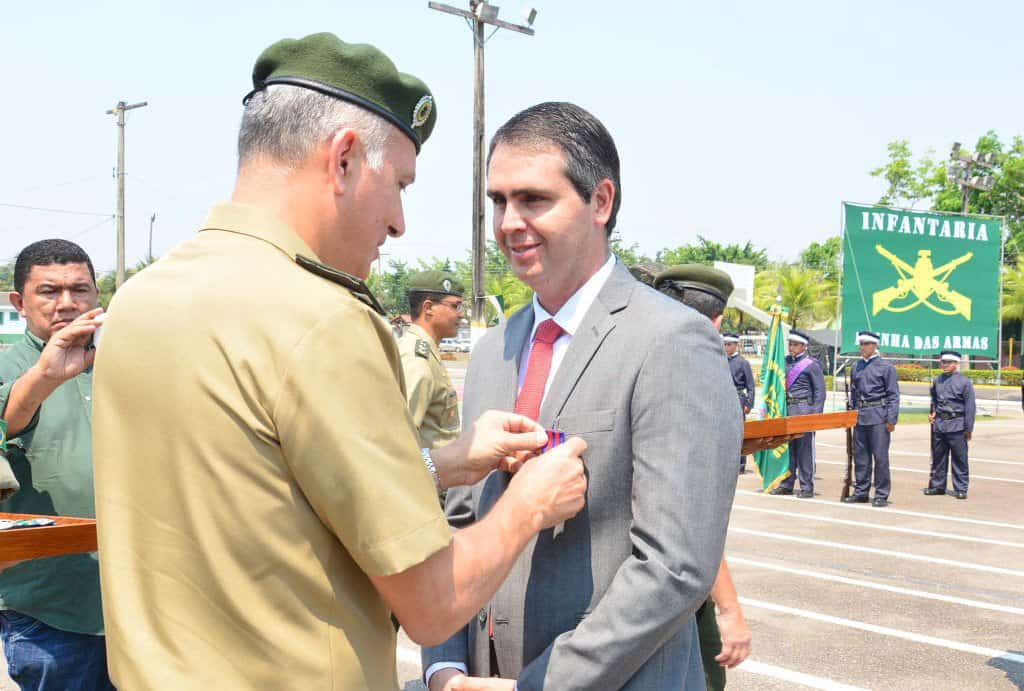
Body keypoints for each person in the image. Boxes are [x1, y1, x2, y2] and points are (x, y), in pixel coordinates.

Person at [91, 34, 588, 690]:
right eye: (400, 185)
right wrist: (527, 503)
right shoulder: (321, 318)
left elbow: (254, 485)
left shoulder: (140, 300)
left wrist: (445, 460)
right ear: (346, 159)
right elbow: (431, 598)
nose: (400, 221)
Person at [423, 102, 742, 690]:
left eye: (533, 199)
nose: (508, 222)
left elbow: (675, 565)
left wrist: (536, 686)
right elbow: (457, 522)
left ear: (600, 201)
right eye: (497, 201)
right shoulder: (496, 348)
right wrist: (444, 667)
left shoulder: (672, 340)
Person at [0, 239, 111, 690]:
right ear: (19, 303)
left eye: (80, 289)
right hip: (51, 610)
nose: (67, 303)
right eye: (49, 291)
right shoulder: (11, 368)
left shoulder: (124, 362)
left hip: (138, 601)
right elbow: (6, 419)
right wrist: (45, 376)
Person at [653, 264, 753, 691]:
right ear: (717, 321)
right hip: (674, 580)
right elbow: (693, 514)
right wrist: (729, 609)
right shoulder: (700, 378)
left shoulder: (635, 363)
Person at [398, 270, 465, 449]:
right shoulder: (417, 359)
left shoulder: (426, 351)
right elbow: (400, 438)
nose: (461, 314)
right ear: (428, 308)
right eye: (455, 306)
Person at [842, 330, 899, 507]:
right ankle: (861, 492)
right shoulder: (856, 367)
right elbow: (854, 394)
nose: (863, 347)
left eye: (866, 344)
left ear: (875, 345)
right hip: (860, 416)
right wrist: (850, 417)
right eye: (861, 344)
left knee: (880, 457)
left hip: (878, 415)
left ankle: (881, 493)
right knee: (861, 457)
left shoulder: (886, 367)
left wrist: (891, 419)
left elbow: (893, 395)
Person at [770, 329, 826, 498]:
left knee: (804, 450)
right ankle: (787, 483)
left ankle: (806, 486)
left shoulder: (811, 364)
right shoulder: (785, 362)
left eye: (795, 344)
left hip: (803, 410)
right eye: (790, 344)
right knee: (787, 449)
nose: (791, 347)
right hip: (787, 409)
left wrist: (815, 415)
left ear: (804, 346)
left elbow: (820, 392)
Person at [925, 350, 976, 500]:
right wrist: (933, 412)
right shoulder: (937, 380)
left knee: (959, 458)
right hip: (940, 424)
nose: (944, 364)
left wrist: (969, 428)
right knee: (938, 457)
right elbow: (935, 399)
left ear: (956, 364)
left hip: (957, 425)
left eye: (948, 362)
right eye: (942, 362)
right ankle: (937, 486)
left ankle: (960, 488)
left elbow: (970, 407)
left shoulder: (964, 382)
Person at [723, 333, 755, 474]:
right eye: (724, 344)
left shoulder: (742, 363)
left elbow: (751, 386)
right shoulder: (720, 360)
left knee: (739, 432)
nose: (726, 347)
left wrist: (749, 403)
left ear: (736, 345)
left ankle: (740, 464)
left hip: (737, 398)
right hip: (723, 397)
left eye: (729, 344)